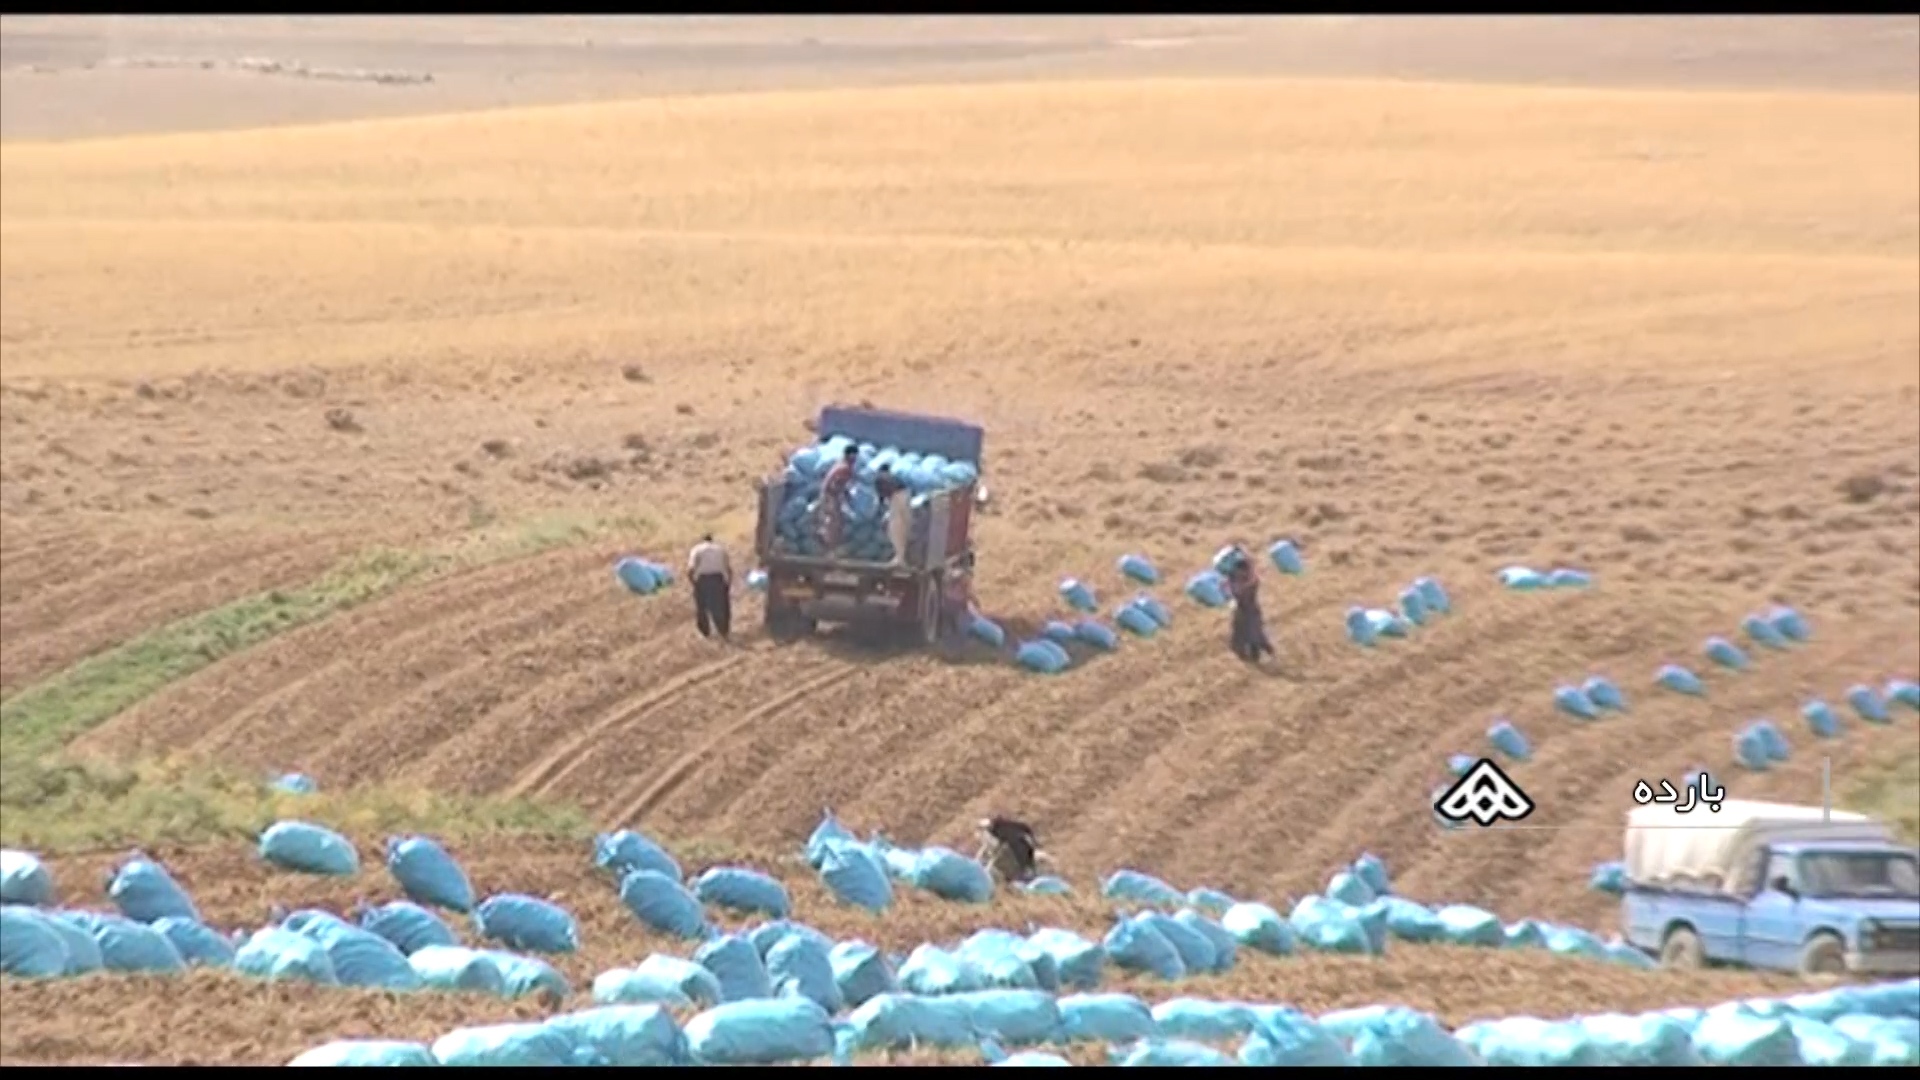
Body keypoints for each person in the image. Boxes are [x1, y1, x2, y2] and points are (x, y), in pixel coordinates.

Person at [1226, 555, 1275, 663]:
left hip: (1250, 611)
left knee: (1254, 634)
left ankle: (1261, 653)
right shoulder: (1235, 579)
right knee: (1243, 635)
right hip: (1241, 612)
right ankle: (1252, 654)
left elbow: (1244, 590)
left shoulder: (1250, 582)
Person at [975, 815, 1050, 885]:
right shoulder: (1004, 829)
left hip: (1021, 853)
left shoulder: (1002, 833)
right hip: (1021, 849)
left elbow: (996, 850)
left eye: (983, 830)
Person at [687, 534, 733, 642]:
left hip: (703, 579)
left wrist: (693, 582)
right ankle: (723, 631)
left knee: (702, 607)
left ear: (702, 540)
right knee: (721, 606)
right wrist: (728, 583)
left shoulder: (697, 549)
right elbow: (728, 568)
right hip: (718, 579)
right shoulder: (720, 549)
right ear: (712, 540)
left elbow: (691, 568)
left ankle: (705, 633)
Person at [816, 445, 860, 550]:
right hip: (830, 496)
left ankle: (828, 544)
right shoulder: (845, 468)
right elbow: (834, 485)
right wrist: (842, 497)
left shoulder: (840, 465)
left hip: (828, 495)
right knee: (834, 521)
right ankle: (829, 546)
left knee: (833, 520)